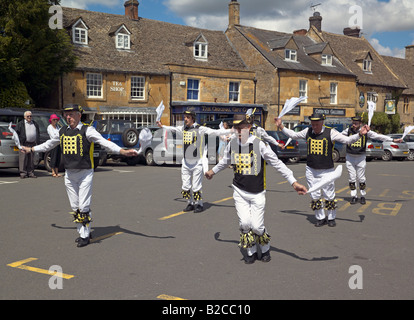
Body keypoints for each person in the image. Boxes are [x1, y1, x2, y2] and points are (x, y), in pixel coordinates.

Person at [22, 105, 137, 247]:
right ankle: (83, 232)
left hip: (85, 173)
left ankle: (84, 235)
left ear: (79, 115)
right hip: (69, 173)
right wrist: (32, 149)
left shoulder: (87, 130)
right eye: (66, 115)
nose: (67, 117)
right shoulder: (62, 131)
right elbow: (49, 144)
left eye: (70, 114)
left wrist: (122, 151)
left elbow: (103, 142)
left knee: (83, 206)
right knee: (75, 206)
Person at [205, 114, 307, 264]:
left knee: (258, 226)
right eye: (236, 128)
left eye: (241, 128)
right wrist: (212, 171)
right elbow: (226, 161)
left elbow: (277, 163)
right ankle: (250, 251)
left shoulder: (259, 144)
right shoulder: (232, 143)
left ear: (248, 127)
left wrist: (293, 182)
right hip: (239, 191)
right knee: (245, 224)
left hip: (258, 192)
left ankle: (265, 248)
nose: (238, 131)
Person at [275, 113, 369, 227]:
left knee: (329, 195)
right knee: (315, 195)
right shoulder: (308, 131)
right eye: (312, 124)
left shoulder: (331, 132)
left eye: (316, 124)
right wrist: (281, 126)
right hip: (311, 169)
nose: (314, 127)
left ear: (322, 122)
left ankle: (331, 218)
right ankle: (320, 217)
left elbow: (347, 140)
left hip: (327, 170)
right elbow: (294, 135)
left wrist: (359, 134)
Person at [157, 110, 232, 213]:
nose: (185, 119)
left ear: (192, 118)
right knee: (185, 186)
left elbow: (215, 132)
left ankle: (199, 204)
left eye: (187, 117)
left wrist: (231, 131)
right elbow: (172, 129)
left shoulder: (200, 129)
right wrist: (162, 126)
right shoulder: (183, 128)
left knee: (196, 186)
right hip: (186, 162)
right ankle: (190, 203)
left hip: (197, 162)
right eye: (185, 117)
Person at [341, 116, 403, 205]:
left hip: (360, 157)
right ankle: (353, 196)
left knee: (361, 178)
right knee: (352, 178)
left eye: (356, 123)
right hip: (350, 157)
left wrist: (393, 140)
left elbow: (378, 136)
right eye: (353, 123)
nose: (354, 125)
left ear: (360, 124)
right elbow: (338, 136)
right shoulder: (348, 131)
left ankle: (362, 196)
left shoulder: (366, 131)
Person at [16, 111, 40, 178]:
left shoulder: (35, 123)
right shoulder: (20, 124)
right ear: (24, 117)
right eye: (28, 116)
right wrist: (19, 144)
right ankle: (23, 173)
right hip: (24, 144)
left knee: (31, 159)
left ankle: (30, 173)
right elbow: (16, 134)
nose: (29, 117)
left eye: (30, 116)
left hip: (32, 144)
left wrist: (37, 142)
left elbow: (38, 133)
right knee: (23, 159)